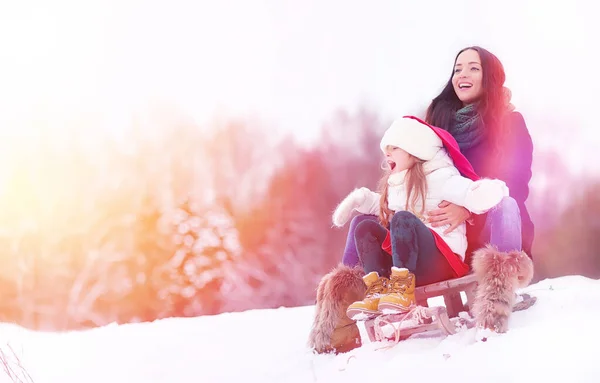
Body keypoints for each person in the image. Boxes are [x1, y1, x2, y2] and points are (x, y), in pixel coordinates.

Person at [340, 46, 534, 269]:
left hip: (485, 226)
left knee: (506, 203)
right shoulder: (438, 122)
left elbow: (517, 184)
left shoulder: (510, 122)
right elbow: (415, 171)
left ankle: (502, 284)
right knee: (362, 222)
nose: (462, 74)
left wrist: (469, 211)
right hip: (440, 228)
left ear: (489, 77)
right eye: (457, 69)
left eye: (473, 68)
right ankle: (346, 294)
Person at [331, 116, 509, 319]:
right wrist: (360, 199)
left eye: (395, 147)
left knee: (402, 219)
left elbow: (470, 193)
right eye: (386, 149)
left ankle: (402, 291)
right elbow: (382, 204)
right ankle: (378, 290)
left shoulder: (443, 177)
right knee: (364, 226)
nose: (387, 152)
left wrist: (491, 190)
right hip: (411, 261)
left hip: (443, 261)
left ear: (416, 150)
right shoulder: (397, 182)